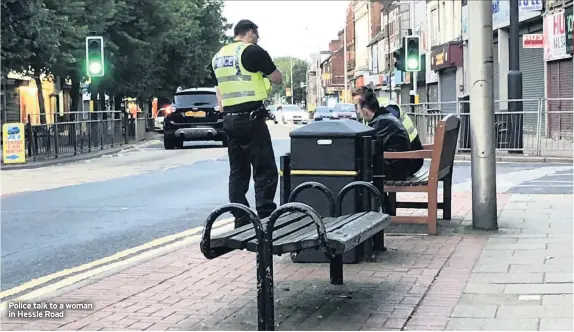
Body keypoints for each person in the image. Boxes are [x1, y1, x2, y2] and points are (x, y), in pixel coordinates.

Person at [211, 19, 283, 228]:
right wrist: (264, 76)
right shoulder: (252, 52)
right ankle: (266, 217)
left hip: (230, 120)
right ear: (250, 32)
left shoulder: (218, 56)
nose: (258, 40)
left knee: (238, 172)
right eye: (257, 36)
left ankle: (240, 218)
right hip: (251, 118)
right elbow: (277, 78)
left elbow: (219, 92)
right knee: (265, 170)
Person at [353, 87, 424, 176]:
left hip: (404, 164)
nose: (357, 112)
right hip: (404, 160)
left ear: (365, 110)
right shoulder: (383, 115)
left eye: (357, 107)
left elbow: (370, 147)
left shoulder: (382, 121)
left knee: (359, 169)